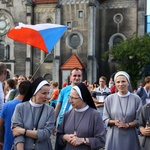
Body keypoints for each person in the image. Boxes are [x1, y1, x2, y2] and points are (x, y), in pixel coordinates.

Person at [56, 82, 105, 150]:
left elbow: (101, 140)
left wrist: (83, 140)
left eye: (73, 98)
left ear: (83, 98)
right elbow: (59, 136)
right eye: (70, 97)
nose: (70, 101)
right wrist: (65, 137)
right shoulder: (67, 114)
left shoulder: (95, 115)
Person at [11, 77, 55, 150]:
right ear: (35, 92)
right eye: (44, 93)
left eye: (48, 93)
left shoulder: (50, 110)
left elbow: (46, 133)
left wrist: (23, 131)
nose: (47, 97)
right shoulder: (20, 108)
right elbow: (17, 133)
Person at [103, 71, 142, 150]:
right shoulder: (109, 99)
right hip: (114, 135)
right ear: (115, 84)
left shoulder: (136, 99)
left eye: (123, 81)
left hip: (130, 136)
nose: (121, 84)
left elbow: (139, 120)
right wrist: (114, 122)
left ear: (128, 82)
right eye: (118, 82)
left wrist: (128, 124)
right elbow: (105, 119)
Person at [0, 80, 31, 150]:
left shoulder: (7, 105)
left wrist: (1, 140)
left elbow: (0, 124)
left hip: (8, 144)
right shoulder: (31, 107)